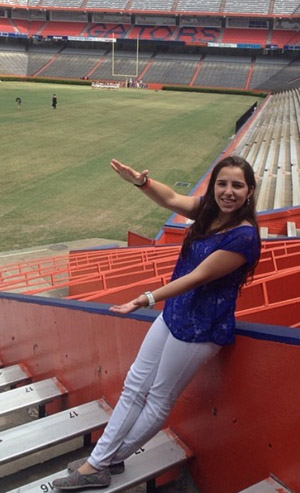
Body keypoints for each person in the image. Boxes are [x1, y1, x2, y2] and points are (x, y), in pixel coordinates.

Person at [53, 155, 261, 490]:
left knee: (159, 397)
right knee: (135, 384)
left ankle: (99, 464)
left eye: (237, 185)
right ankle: (104, 460)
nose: (228, 191)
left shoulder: (244, 237)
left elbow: (198, 277)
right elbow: (172, 199)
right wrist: (141, 182)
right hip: (174, 313)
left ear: (250, 191)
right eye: (222, 183)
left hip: (199, 328)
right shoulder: (209, 211)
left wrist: (146, 298)